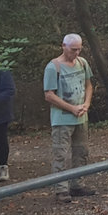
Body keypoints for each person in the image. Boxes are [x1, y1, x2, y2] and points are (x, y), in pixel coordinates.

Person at [43, 34, 95, 203]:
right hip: (62, 119)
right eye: (73, 49)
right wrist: (71, 108)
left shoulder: (82, 63)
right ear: (63, 46)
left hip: (81, 117)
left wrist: (86, 104)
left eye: (79, 49)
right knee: (60, 154)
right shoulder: (53, 67)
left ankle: (77, 184)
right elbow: (49, 95)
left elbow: (88, 85)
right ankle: (61, 189)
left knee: (81, 152)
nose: (76, 53)